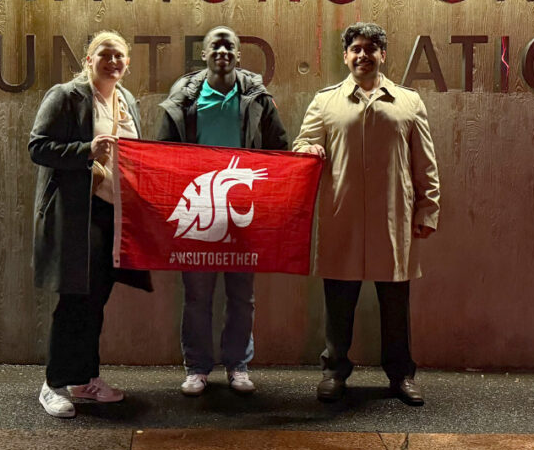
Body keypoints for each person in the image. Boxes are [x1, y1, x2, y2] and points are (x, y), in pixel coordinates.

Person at [292, 22, 440, 405]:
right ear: (346, 56)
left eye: (371, 48)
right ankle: (334, 371)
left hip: (394, 218)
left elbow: (425, 163)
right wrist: (308, 150)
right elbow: (304, 143)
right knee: (339, 300)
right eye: (356, 48)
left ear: (382, 55)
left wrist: (428, 210)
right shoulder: (325, 102)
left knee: (396, 303)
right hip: (343, 216)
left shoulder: (408, 102)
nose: (363, 55)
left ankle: (401, 375)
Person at [158, 25, 288, 396]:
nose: (222, 51)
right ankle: (197, 368)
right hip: (200, 206)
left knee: (241, 294)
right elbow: (163, 154)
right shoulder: (184, 100)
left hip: (242, 210)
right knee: (197, 294)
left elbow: (280, 147)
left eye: (229, 46)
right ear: (204, 54)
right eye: (215, 45)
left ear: (238, 54)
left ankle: (238, 366)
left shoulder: (258, 99)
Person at [29, 30, 152, 418]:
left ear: (127, 63)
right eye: (105, 54)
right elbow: (38, 146)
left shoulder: (126, 100)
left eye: (119, 56)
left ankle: (85, 379)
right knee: (74, 300)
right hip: (77, 214)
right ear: (88, 60)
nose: (113, 61)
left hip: (113, 214)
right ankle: (54, 384)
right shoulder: (66, 96)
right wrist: (86, 150)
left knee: (96, 299)